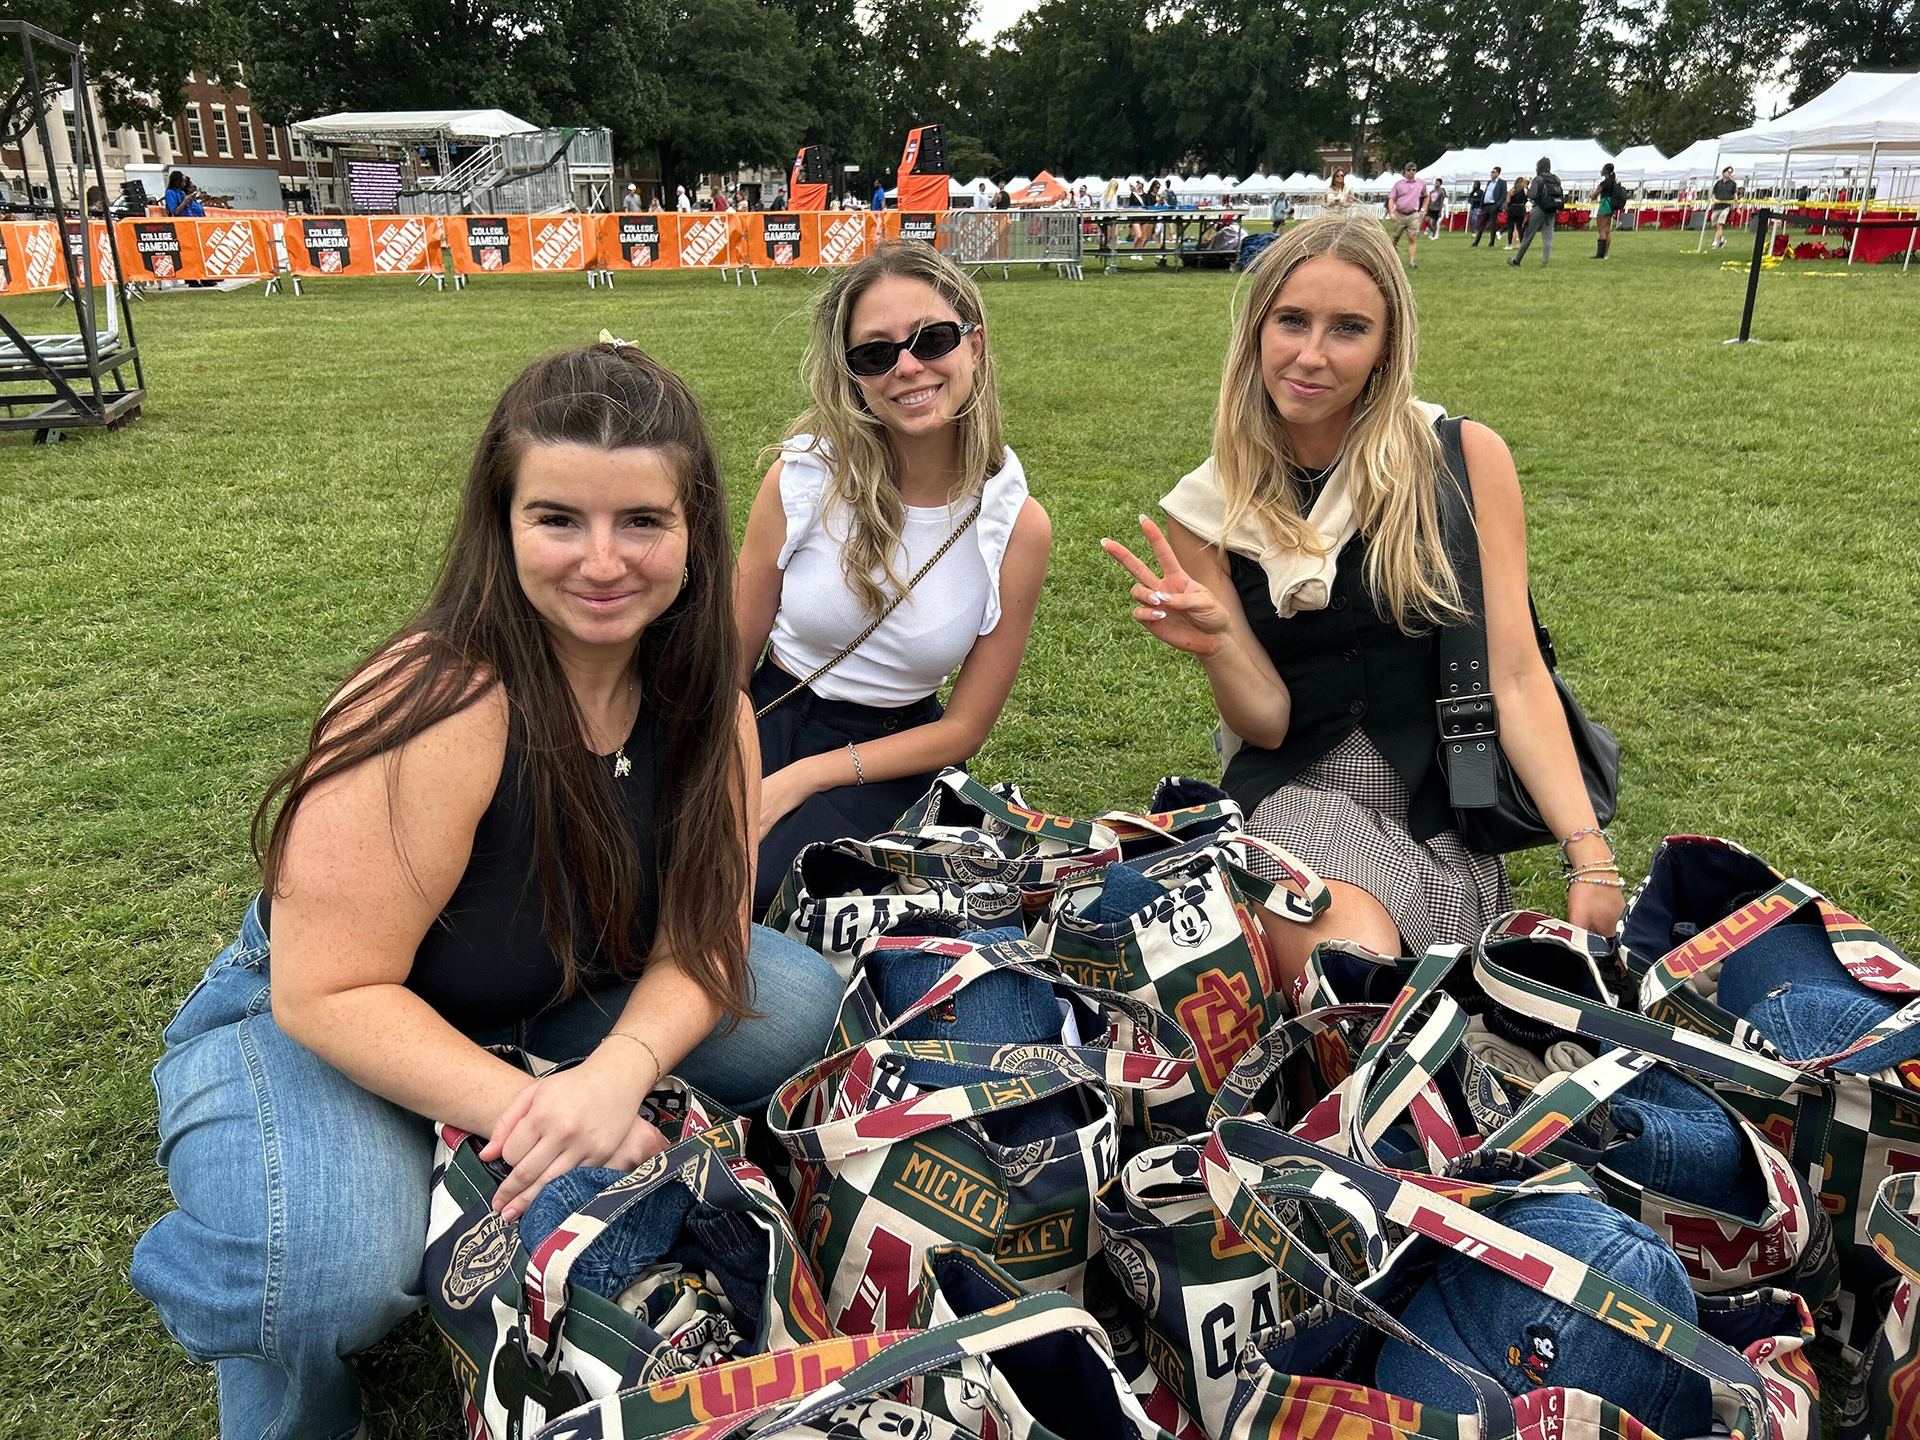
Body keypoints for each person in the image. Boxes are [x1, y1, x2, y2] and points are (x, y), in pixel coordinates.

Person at [130, 342, 842, 1440]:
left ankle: (459, 1147)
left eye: (641, 521)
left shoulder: (713, 707)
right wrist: (537, 1116)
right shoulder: (443, 701)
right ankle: (290, 1369)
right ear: (502, 526)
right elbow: (327, 990)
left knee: (800, 1009)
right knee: (322, 1274)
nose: (603, 560)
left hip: (552, 984)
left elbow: (705, 939)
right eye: (558, 518)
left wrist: (618, 1074)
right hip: (328, 1015)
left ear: (695, 531)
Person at [1101, 216, 1623, 990]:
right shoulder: (1206, 507)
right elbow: (1268, 722)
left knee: (1440, 999)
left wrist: (1591, 856)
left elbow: (1515, 675)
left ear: (1386, 347)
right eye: (1291, 321)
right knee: (1355, 968)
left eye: (1348, 329)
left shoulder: (1459, 460)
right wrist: (1219, 648)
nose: (1311, 355)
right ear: (1256, 331)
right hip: (1294, 792)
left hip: (1440, 805)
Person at [735, 242, 1050, 916]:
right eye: (875, 354)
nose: (907, 367)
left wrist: (802, 780)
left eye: (931, 339)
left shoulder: (1015, 524)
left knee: (771, 889)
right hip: (763, 711)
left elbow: (963, 729)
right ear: (852, 375)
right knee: (678, 861)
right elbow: (730, 654)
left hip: (893, 751)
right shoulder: (803, 477)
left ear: (975, 346)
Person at [1509, 157, 1562, 267]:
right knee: (1548, 237)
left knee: (1528, 235)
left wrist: (1526, 190)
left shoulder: (1538, 179)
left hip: (1539, 208)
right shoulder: (1556, 179)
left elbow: (1532, 195)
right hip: (1551, 209)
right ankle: (1545, 263)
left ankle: (1517, 260)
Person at [1386, 162, 1426, 267]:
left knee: (1412, 237)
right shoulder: (1399, 184)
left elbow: (1426, 196)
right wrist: (1391, 211)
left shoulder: (1420, 183)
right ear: (1405, 171)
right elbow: (1391, 198)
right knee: (1396, 238)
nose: (1411, 172)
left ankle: (1412, 262)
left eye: (1413, 170)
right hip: (1400, 214)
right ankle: (1391, 259)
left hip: (1413, 214)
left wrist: (1423, 209)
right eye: (1409, 170)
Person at [1592, 162, 1625, 259]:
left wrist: (1592, 197)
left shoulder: (1604, 183)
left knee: (1601, 230)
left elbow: (1594, 195)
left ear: (1606, 171)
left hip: (1604, 205)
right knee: (1607, 231)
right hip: (1611, 205)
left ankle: (1600, 254)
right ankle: (1605, 253)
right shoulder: (1613, 182)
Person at [1472, 168, 1505, 247]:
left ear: (1498, 173)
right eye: (1491, 172)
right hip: (1486, 205)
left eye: (1493, 172)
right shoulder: (1489, 182)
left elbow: (1503, 195)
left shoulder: (1501, 183)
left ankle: (1491, 242)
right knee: (1481, 224)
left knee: (1493, 224)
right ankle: (1476, 241)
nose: (1492, 174)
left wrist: (1497, 205)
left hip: (1493, 205)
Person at [1709, 166, 1739, 247]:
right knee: (1715, 225)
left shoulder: (1733, 184)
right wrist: (1714, 199)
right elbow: (1713, 194)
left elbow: (1735, 196)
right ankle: (1721, 239)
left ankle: (1715, 242)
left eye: (1730, 172)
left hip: (1726, 207)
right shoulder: (1718, 183)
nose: (1729, 174)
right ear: (1723, 172)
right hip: (1717, 206)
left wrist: (1737, 208)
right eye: (1728, 172)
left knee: (1719, 224)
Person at [1502, 170, 1529, 248]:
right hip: (1521, 209)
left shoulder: (1512, 190)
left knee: (1510, 227)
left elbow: (1508, 200)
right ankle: (1521, 243)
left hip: (1512, 208)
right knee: (1520, 227)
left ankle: (1510, 244)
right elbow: (1527, 198)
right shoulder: (1525, 190)